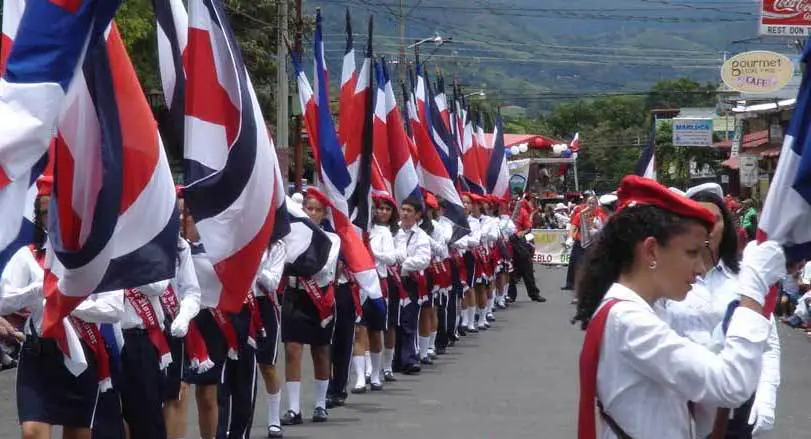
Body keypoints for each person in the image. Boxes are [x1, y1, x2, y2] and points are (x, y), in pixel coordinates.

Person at [574, 175, 786, 439]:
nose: (700, 268)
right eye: (691, 252)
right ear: (651, 251)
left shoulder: (639, 309)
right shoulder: (630, 319)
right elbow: (730, 385)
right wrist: (754, 291)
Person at [656, 183, 782, 438]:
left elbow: (767, 342)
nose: (708, 228)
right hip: (682, 403)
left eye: (714, 219)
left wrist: (766, 394)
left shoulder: (745, 277)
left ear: (725, 224)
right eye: (697, 219)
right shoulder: (666, 278)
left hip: (734, 406)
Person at [281, 189, 340, 425]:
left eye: (317, 209)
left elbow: (321, 267)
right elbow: (283, 261)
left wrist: (297, 262)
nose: (312, 212)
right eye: (309, 208)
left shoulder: (331, 239)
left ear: (324, 214)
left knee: (321, 350)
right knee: (292, 350)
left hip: (319, 297)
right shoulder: (291, 235)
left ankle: (320, 404)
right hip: (295, 295)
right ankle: (294, 409)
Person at [393, 197, 431, 374]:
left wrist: (402, 264)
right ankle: (394, 359)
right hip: (392, 281)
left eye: (409, 210)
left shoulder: (421, 236)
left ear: (417, 215)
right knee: (394, 320)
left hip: (409, 282)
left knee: (408, 320)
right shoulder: (393, 232)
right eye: (403, 209)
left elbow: (423, 259)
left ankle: (409, 358)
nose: (405, 213)